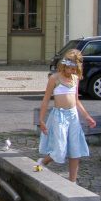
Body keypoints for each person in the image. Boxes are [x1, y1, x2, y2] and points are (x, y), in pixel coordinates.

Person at [37, 49, 96, 182]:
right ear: (64, 65)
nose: (71, 72)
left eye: (74, 69)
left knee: (75, 149)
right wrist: (41, 119)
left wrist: (86, 116)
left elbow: (76, 100)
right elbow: (46, 99)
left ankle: (72, 182)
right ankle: (43, 161)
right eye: (69, 69)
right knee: (59, 148)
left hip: (73, 116)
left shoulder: (75, 78)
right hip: (59, 116)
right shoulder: (54, 78)